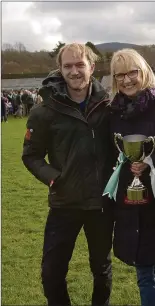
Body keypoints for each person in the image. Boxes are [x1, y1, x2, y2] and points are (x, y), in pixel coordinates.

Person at [22, 43, 115, 306]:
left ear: (92, 67)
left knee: (102, 269)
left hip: (101, 204)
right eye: (68, 66)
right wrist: (54, 178)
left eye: (80, 64)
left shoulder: (109, 105)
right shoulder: (45, 111)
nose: (75, 71)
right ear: (60, 70)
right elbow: (31, 155)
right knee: (52, 272)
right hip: (64, 203)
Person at [106, 48, 155, 306]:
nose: (126, 80)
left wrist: (150, 163)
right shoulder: (112, 112)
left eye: (132, 72)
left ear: (143, 71)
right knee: (145, 273)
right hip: (133, 202)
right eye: (120, 75)